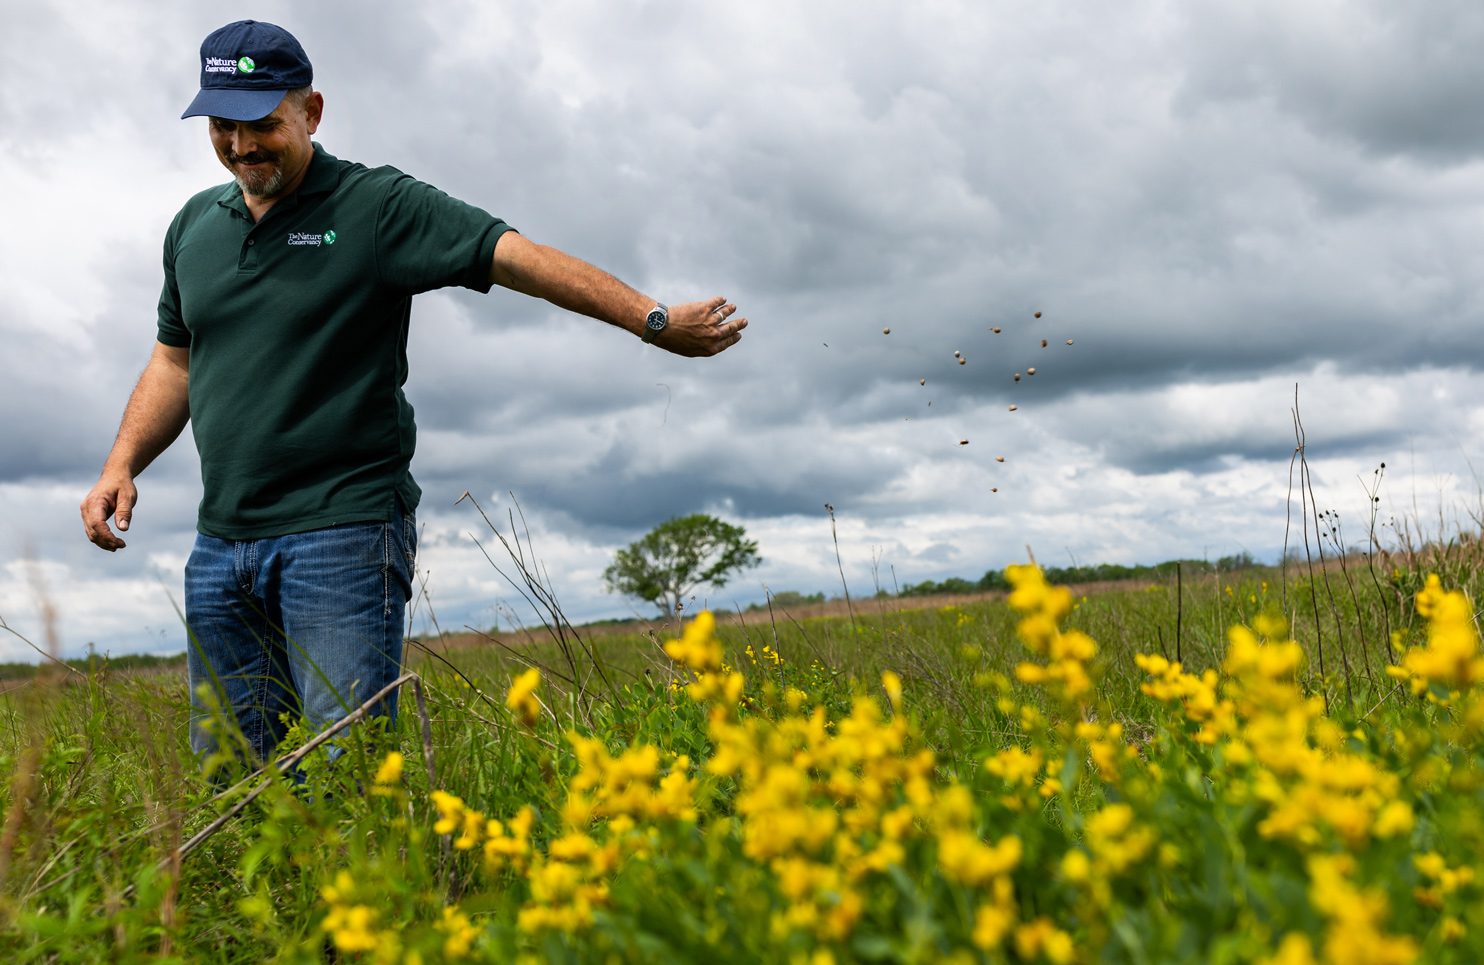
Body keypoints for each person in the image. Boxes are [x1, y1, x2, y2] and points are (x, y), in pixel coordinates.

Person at [77, 20, 747, 766]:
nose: (241, 146)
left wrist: (651, 319)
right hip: (221, 547)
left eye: (262, 124)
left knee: (352, 768)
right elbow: (175, 363)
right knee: (232, 779)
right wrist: (121, 462)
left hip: (343, 533)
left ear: (312, 112)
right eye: (223, 126)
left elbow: (511, 254)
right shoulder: (195, 226)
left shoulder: (375, 206)